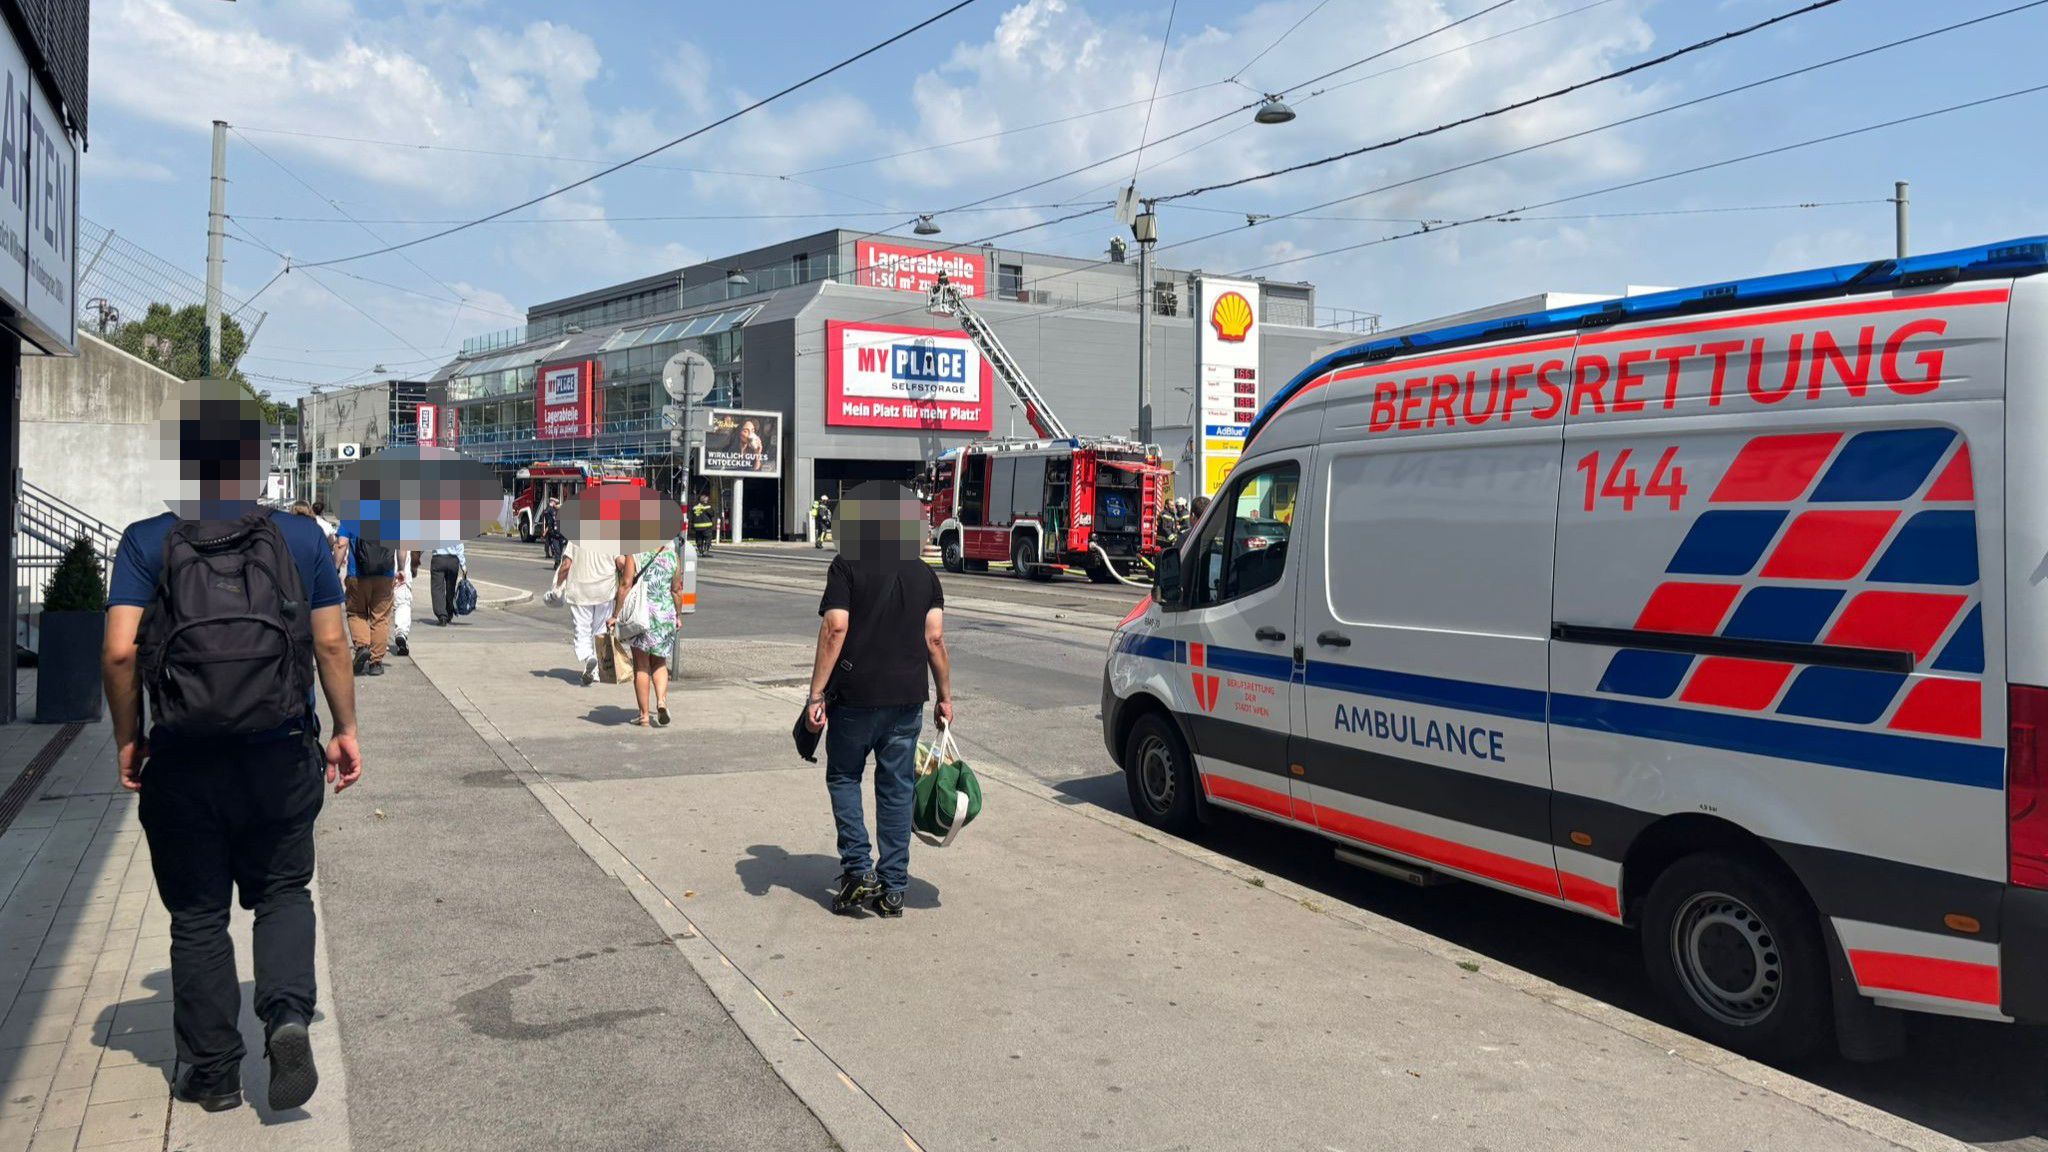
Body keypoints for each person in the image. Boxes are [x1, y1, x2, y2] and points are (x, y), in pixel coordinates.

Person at [102, 380, 361, 1114]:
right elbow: (333, 642)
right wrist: (345, 728)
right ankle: (284, 1016)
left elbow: (120, 653)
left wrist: (130, 738)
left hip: (183, 759)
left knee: (198, 916)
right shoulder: (302, 538)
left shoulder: (147, 541)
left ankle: (213, 1073)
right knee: (282, 892)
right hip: (279, 751)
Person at [804, 481, 952, 919]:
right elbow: (935, 639)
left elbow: (835, 629)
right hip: (907, 698)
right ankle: (893, 888)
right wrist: (945, 696)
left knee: (844, 777)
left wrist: (816, 693)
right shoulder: (925, 574)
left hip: (854, 697)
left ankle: (857, 869)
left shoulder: (846, 564)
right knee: (896, 788)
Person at [614, 538, 684, 727]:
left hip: (642, 615)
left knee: (642, 665)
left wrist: (615, 614)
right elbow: (677, 589)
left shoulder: (634, 552)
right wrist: (677, 615)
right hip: (664, 615)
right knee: (660, 662)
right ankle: (661, 701)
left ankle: (644, 715)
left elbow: (625, 584)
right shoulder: (672, 556)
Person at [554, 532, 620, 686]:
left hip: (580, 591)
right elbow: (621, 562)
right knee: (600, 631)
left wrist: (557, 586)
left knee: (582, 630)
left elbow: (566, 566)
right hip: (604, 590)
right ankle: (596, 671)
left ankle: (588, 656)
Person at [338, 521, 397, 676]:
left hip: (357, 574)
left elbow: (342, 544)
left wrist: (334, 567)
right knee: (381, 617)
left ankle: (362, 646)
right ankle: (376, 662)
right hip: (385, 575)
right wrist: (403, 568)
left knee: (356, 613)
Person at [428, 537, 465, 625]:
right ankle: (449, 614)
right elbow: (459, 547)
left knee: (437, 589)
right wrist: (463, 565)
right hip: (453, 561)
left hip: (438, 559)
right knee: (450, 589)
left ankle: (442, 616)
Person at [390, 549, 418, 657]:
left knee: (380, 607)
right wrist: (402, 568)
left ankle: (377, 639)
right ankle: (401, 633)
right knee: (402, 604)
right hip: (401, 571)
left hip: (379, 571)